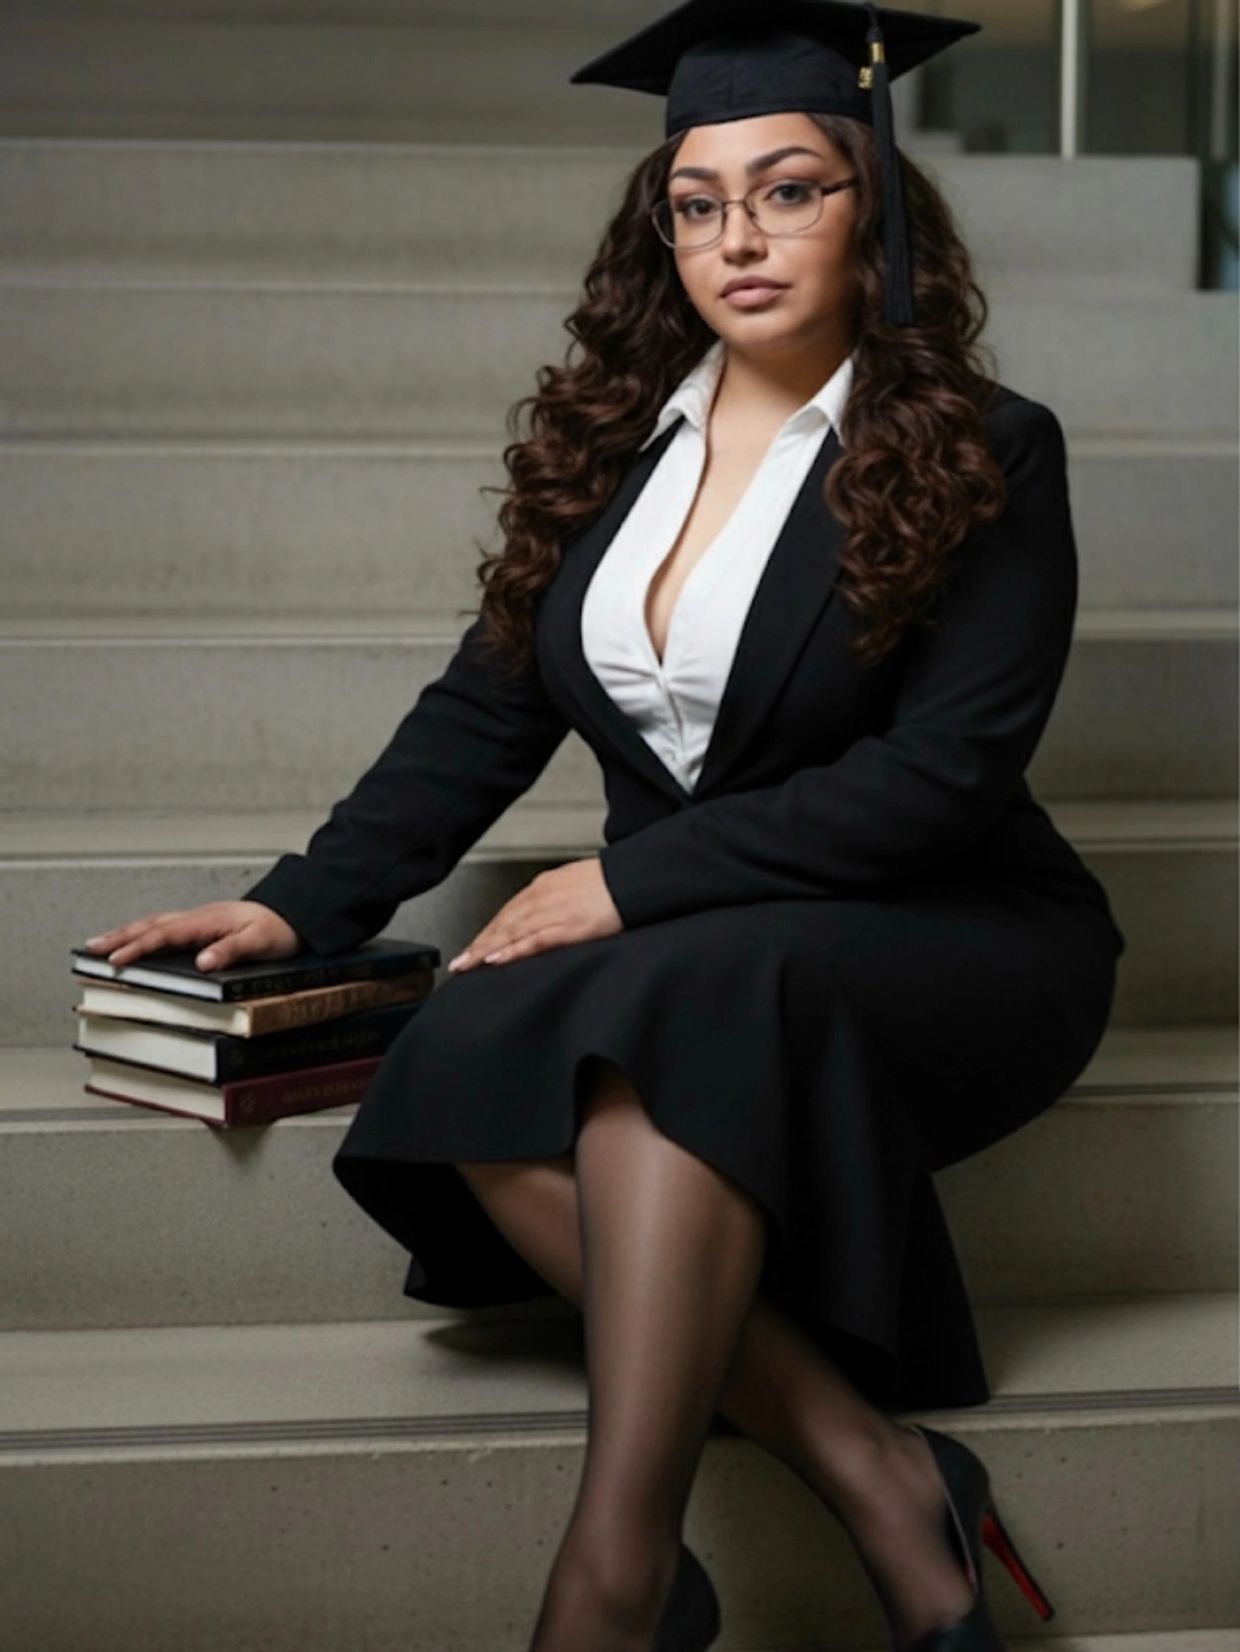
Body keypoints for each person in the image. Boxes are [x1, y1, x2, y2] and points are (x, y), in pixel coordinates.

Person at [81, 4, 1128, 1650]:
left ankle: (615, 1579)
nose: (742, 238)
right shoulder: (607, 450)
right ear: (664, 232)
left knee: (665, 1002)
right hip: (710, 943)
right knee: (485, 1041)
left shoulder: (987, 448)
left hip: (959, 929)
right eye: (699, 204)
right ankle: (874, 1470)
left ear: (878, 209)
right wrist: (302, 904)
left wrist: (627, 883)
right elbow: (482, 713)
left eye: (791, 190)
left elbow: (947, 778)